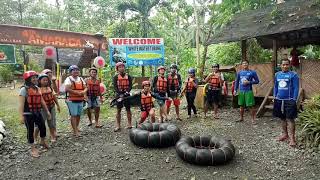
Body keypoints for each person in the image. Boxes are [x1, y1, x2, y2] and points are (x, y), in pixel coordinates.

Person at [19, 71, 51, 157]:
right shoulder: (24, 89)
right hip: (28, 114)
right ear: (28, 79)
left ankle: (43, 141)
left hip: (37, 112)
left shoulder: (37, 88)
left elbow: (42, 101)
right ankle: (33, 149)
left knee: (42, 127)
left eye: (36, 77)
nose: (35, 79)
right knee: (30, 130)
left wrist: (47, 111)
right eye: (33, 78)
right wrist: (21, 116)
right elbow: (21, 104)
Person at [273, 59, 299, 147]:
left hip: (289, 100)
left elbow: (296, 87)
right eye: (283, 65)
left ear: (289, 65)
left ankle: (292, 138)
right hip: (279, 99)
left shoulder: (293, 75)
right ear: (281, 65)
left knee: (290, 119)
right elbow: (275, 86)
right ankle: (285, 134)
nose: (285, 66)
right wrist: (275, 96)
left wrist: (294, 99)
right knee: (282, 118)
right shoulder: (277, 74)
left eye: (287, 64)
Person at [35, 74, 60, 143]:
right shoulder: (37, 89)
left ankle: (52, 136)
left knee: (51, 123)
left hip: (51, 107)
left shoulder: (50, 88)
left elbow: (54, 97)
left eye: (47, 80)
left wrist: (58, 105)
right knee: (40, 124)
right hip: (42, 109)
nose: (46, 81)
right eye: (44, 80)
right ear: (39, 81)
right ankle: (35, 137)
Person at [64, 65, 87, 137]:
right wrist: (77, 92)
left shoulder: (80, 79)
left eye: (77, 70)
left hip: (80, 99)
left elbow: (86, 87)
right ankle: (75, 131)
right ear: (71, 72)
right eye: (74, 70)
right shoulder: (68, 79)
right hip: (71, 100)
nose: (76, 71)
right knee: (73, 115)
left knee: (78, 115)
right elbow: (67, 89)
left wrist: (84, 92)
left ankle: (76, 127)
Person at [234, 60, 260, 125]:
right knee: (241, 105)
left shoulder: (252, 72)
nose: (245, 64)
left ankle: (253, 119)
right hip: (241, 91)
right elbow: (237, 82)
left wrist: (249, 82)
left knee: (251, 106)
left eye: (246, 63)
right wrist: (235, 90)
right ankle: (241, 118)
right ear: (242, 65)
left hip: (249, 91)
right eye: (243, 63)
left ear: (248, 64)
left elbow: (257, 81)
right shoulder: (239, 73)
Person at [113, 62, 133, 132]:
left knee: (128, 109)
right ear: (117, 69)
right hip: (119, 95)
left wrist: (127, 92)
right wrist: (120, 94)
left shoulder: (128, 76)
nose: (121, 68)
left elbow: (130, 85)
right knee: (118, 110)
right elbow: (115, 87)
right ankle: (118, 125)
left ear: (124, 68)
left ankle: (130, 124)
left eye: (122, 67)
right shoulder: (115, 77)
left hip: (127, 95)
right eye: (120, 67)